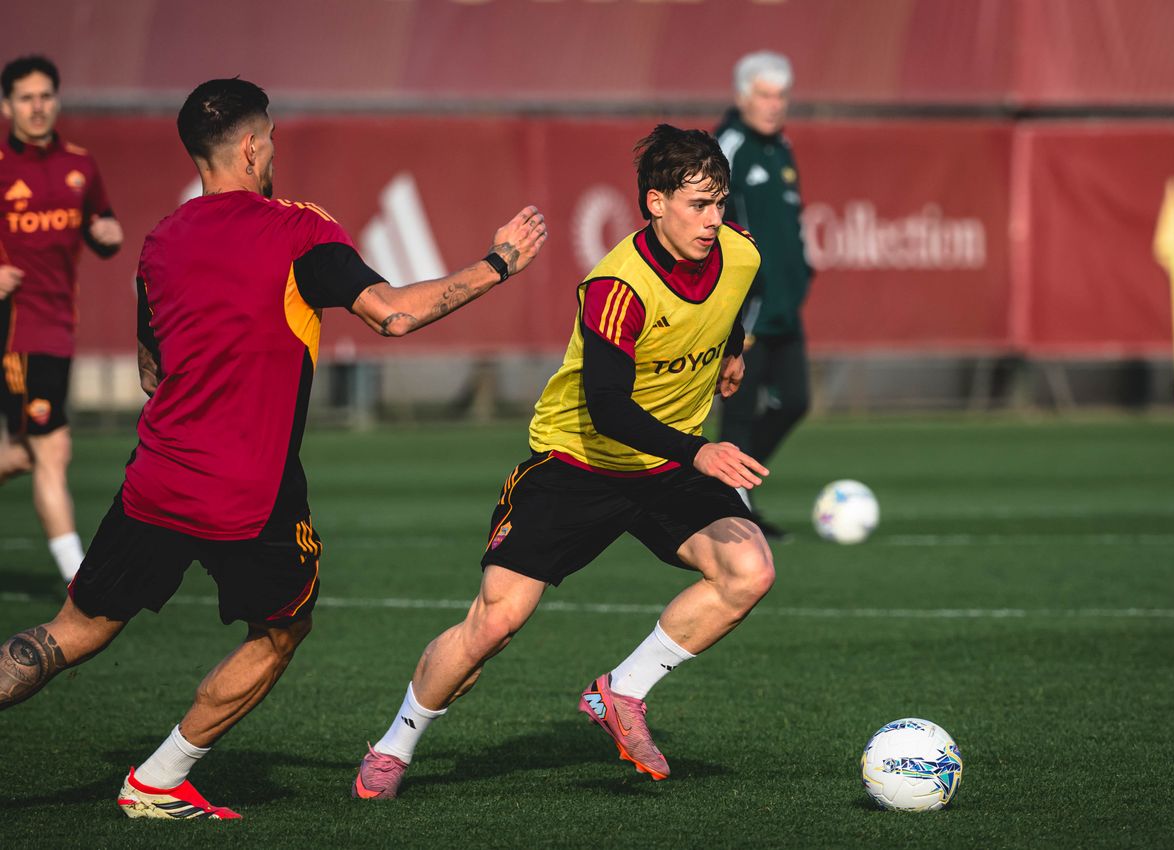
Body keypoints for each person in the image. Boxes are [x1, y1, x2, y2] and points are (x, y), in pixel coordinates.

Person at [0, 77, 547, 821]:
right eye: (273, 142)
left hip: (155, 479)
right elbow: (391, 315)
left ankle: (154, 778)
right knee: (282, 628)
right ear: (254, 147)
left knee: (72, 631)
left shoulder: (160, 241)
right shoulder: (297, 229)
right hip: (249, 493)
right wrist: (500, 262)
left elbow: (150, 371)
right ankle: (158, 779)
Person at [353, 124, 775, 799]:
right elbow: (606, 407)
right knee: (494, 623)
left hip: (663, 467)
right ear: (655, 203)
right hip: (578, 463)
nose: (712, 220)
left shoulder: (740, 253)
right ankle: (395, 744)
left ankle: (621, 692)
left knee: (748, 570)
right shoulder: (617, 285)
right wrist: (699, 450)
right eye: (698, 205)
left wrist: (731, 351)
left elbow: (732, 302)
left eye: (719, 203)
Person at [0, 55, 125, 582]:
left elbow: (102, 222)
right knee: (52, 451)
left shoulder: (80, 165)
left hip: (58, 330)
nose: (37, 107)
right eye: (25, 97)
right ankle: (80, 582)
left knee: (24, 455)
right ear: (7, 105)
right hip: (17, 332)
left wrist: (109, 234)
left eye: (45, 96)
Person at [714, 51, 813, 543]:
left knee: (794, 401)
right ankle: (733, 511)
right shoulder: (727, 148)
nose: (774, 105)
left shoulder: (782, 148)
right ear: (742, 97)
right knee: (737, 413)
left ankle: (730, 490)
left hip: (783, 308)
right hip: (746, 312)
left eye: (781, 96)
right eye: (765, 95)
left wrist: (801, 272)